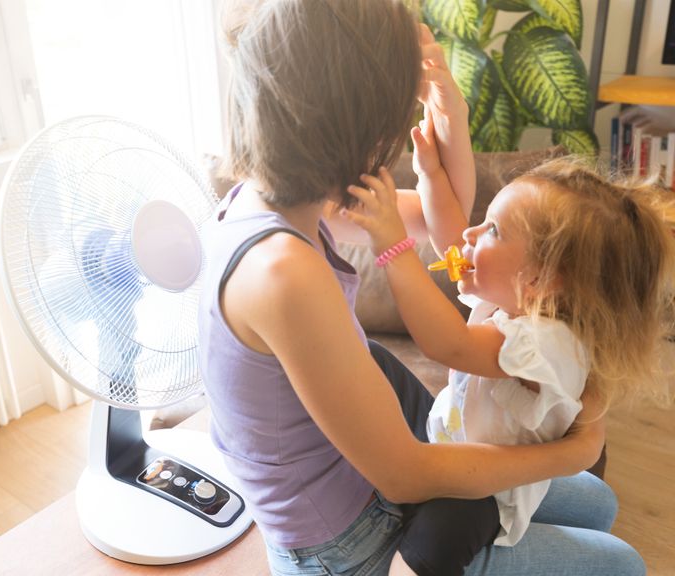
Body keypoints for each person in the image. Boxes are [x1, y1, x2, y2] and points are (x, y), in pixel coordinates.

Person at [197, 1, 645, 574]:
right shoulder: (284, 271)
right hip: (347, 542)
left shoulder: (273, 200)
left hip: (371, 475)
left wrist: (449, 116)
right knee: (623, 564)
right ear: (358, 123)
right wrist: (572, 452)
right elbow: (404, 474)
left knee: (597, 502)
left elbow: (447, 225)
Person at [343, 107, 675, 574]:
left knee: (426, 552)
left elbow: (449, 345)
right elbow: (452, 233)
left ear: (543, 280)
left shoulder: (547, 343)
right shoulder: (514, 300)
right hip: (442, 436)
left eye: (494, 230)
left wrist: (393, 247)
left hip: (484, 488)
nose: (472, 235)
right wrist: (430, 174)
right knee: (369, 356)